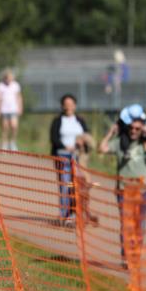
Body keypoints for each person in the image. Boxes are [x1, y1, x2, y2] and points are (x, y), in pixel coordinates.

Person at [99, 106, 146, 268]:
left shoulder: (145, 143)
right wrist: (111, 133)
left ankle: (136, 254)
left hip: (143, 190)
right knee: (126, 224)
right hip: (124, 190)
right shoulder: (119, 143)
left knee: (140, 224)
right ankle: (125, 256)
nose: (134, 131)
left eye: (138, 128)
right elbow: (101, 148)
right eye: (131, 128)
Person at [49, 93, 89, 222]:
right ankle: (63, 214)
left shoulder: (80, 120)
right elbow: (53, 138)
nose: (68, 107)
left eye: (71, 104)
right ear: (62, 106)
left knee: (77, 186)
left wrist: (82, 143)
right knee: (65, 186)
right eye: (66, 105)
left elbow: (87, 135)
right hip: (63, 157)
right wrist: (66, 147)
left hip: (78, 158)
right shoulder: (57, 121)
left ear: (75, 105)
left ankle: (75, 213)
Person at [0, 69, 23, 151]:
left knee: (14, 126)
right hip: (4, 110)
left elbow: (19, 97)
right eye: (7, 78)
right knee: (5, 127)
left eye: (10, 78)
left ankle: (13, 142)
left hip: (14, 109)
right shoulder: (0, 85)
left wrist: (20, 107)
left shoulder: (15, 85)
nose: (9, 79)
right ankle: (4, 143)